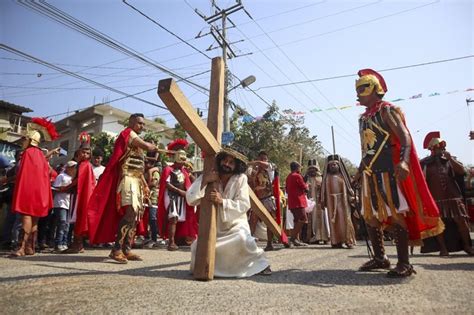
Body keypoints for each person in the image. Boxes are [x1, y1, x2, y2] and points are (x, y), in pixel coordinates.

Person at [353, 69, 444, 277]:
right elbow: (368, 149)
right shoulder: (364, 118)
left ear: (376, 89)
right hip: (370, 173)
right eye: (357, 90)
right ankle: (380, 257)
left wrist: (403, 162)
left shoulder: (387, 110)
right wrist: (359, 172)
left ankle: (404, 262)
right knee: (370, 217)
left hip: (388, 171)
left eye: (362, 89)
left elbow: (404, 138)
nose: (358, 94)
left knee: (395, 213)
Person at [186, 147, 271, 277]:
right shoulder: (209, 174)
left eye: (231, 163)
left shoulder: (241, 178)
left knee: (243, 240)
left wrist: (223, 201)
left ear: (236, 165)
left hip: (235, 225)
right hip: (215, 226)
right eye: (224, 161)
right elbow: (190, 199)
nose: (226, 164)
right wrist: (205, 181)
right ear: (219, 161)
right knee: (198, 246)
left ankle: (259, 265)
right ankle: (208, 269)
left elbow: (244, 204)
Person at [88, 113, 158, 263]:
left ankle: (126, 249)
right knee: (130, 211)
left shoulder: (135, 141)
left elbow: (139, 167)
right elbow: (147, 146)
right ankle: (116, 249)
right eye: (140, 123)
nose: (142, 126)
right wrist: (152, 146)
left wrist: (145, 184)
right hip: (127, 179)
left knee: (135, 215)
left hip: (137, 180)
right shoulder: (128, 133)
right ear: (131, 122)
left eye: (143, 124)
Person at [10, 117, 59, 257]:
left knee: (26, 217)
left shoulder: (28, 153)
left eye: (25, 139)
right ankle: (30, 248)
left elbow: (22, 174)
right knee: (35, 219)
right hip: (41, 193)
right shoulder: (41, 156)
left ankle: (20, 248)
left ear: (31, 140)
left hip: (29, 191)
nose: (23, 142)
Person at [419, 132, 473, 255]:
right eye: (439, 147)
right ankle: (443, 248)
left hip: (453, 197)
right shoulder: (425, 163)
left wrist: (450, 159)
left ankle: (467, 245)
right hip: (435, 199)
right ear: (433, 148)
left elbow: (462, 171)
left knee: (462, 222)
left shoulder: (450, 160)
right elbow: (421, 181)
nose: (442, 149)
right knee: (438, 224)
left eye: (443, 147)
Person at [158, 139, 198, 251]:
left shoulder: (185, 171)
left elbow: (193, 182)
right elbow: (166, 184)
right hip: (171, 197)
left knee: (181, 219)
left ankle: (179, 239)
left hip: (181, 199)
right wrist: (179, 191)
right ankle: (171, 242)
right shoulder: (168, 169)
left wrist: (191, 173)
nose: (183, 159)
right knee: (173, 218)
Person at [63, 133, 96, 254]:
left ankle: (77, 245)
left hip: (82, 196)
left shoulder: (85, 165)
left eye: (88, 153)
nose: (85, 155)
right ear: (78, 152)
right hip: (78, 195)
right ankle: (78, 244)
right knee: (77, 220)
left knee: (78, 219)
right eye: (83, 152)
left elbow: (79, 180)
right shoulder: (83, 164)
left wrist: (65, 187)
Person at [320, 155, 356, 249]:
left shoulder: (343, 177)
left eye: (335, 164)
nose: (333, 166)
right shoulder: (326, 177)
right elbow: (323, 191)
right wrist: (323, 201)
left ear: (339, 166)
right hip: (331, 202)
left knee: (345, 221)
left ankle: (348, 241)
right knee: (334, 222)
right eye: (331, 165)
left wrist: (352, 197)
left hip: (343, 201)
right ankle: (336, 242)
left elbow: (349, 188)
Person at [248, 151, 278, 251]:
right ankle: (248, 244)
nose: (262, 160)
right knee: (253, 221)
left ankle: (269, 243)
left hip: (268, 198)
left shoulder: (270, 168)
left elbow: (263, 164)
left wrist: (253, 162)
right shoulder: (254, 171)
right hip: (257, 199)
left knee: (270, 221)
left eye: (264, 159)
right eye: (261, 158)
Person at [52, 160, 77, 252]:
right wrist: (67, 189)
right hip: (60, 202)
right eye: (72, 167)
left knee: (67, 224)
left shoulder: (74, 178)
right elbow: (55, 188)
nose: (74, 169)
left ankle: (64, 243)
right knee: (62, 222)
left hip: (69, 203)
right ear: (68, 168)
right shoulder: (61, 176)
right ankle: (58, 243)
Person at [304, 159, 329, 245]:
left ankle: (324, 237)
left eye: (313, 169)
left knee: (323, 219)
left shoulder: (321, 178)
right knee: (312, 220)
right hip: (310, 204)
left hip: (320, 202)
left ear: (317, 169)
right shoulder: (306, 179)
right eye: (310, 169)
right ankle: (314, 237)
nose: (312, 171)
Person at [285, 161, 309, 247]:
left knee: (296, 220)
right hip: (298, 201)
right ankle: (292, 238)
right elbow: (305, 188)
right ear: (297, 168)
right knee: (303, 219)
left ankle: (295, 239)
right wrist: (306, 183)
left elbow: (287, 190)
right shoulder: (297, 176)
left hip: (292, 201)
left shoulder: (288, 177)